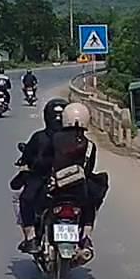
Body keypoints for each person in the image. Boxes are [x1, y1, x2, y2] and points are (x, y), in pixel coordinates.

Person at [10, 98, 68, 253]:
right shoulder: (79, 139)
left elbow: (27, 157)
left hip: (44, 182)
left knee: (21, 198)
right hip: (72, 184)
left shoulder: (39, 137)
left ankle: (30, 237)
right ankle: (85, 237)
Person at [50, 102, 109, 251]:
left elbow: (44, 162)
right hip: (79, 192)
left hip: (55, 189)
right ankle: (86, 236)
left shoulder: (54, 139)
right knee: (91, 204)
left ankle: (33, 236)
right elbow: (89, 169)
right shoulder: (89, 145)